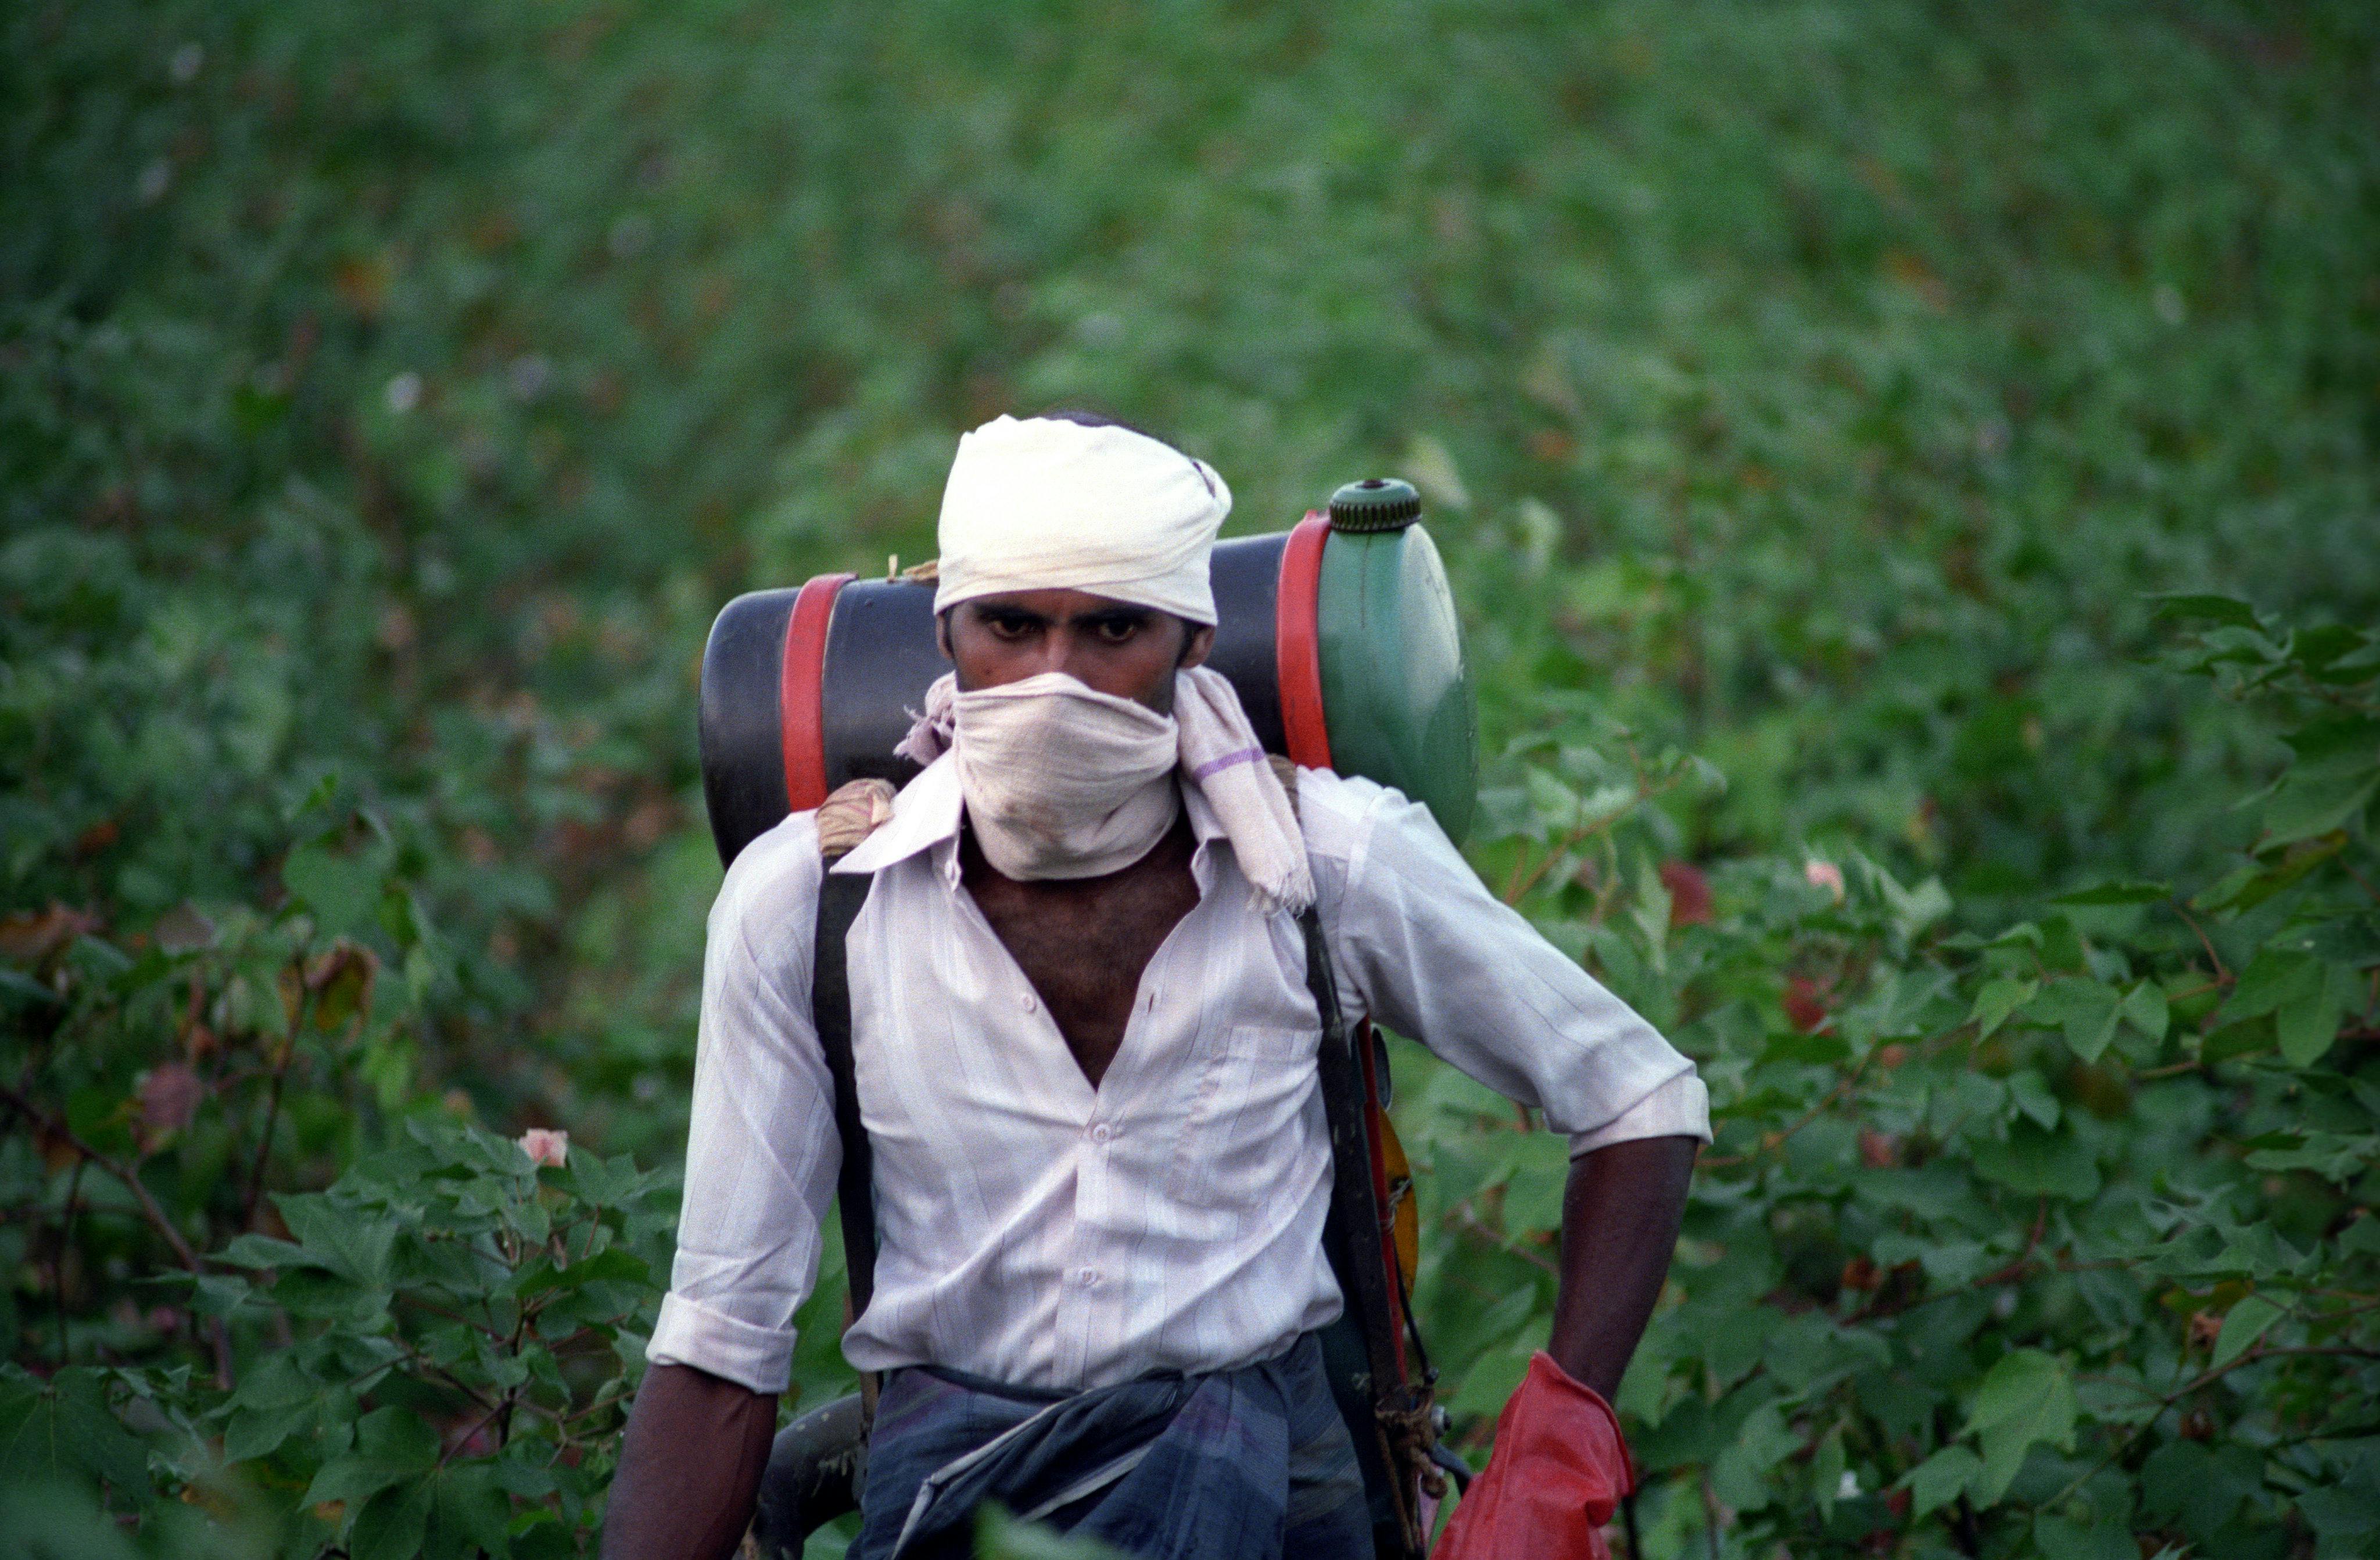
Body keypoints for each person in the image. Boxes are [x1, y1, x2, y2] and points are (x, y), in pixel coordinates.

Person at [602, 413, 1707, 1560]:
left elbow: (1635, 1097)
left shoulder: (1320, 861)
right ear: (946, 633)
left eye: (1111, 631)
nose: (1053, 679)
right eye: (1010, 627)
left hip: (1271, 1498)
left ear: (1191, 643)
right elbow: (723, 1346)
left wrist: (1553, 1443)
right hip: (959, 1495)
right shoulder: (812, 901)